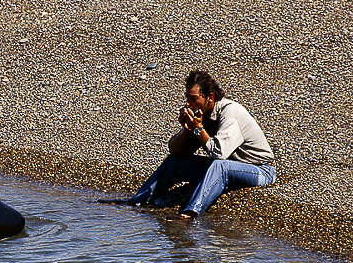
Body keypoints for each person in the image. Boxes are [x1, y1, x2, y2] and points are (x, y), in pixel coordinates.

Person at [102, 71, 276, 218]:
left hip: (259, 170)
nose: (188, 104)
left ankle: (191, 212)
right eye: (187, 98)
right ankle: (138, 200)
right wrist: (187, 130)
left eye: (193, 99)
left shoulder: (230, 113)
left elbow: (219, 154)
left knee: (219, 166)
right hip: (229, 168)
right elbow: (176, 152)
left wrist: (199, 128)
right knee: (174, 162)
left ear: (210, 97)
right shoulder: (202, 114)